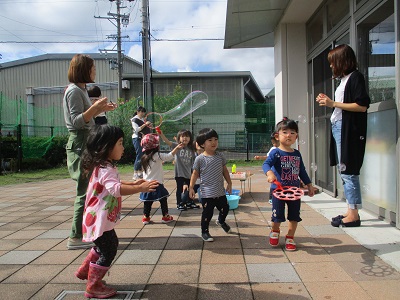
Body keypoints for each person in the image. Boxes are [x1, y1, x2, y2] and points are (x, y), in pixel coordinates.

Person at [75, 125, 159, 298]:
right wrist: (139, 188)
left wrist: (134, 183)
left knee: (103, 246)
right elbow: (115, 189)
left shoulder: (105, 165)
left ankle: (86, 271)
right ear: (106, 146)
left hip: (97, 217)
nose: (123, 147)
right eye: (120, 143)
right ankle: (93, 285)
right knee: (109, 249)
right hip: (98, 218)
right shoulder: (105, 168)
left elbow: (114, 184)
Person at [63, 54, 115, 250]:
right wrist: (95, 107)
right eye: (92, 68)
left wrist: (102, 109)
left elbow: (87, 116)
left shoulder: (82, 90)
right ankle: (75, 237)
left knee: (91, 190)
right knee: (84, 192)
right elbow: (77, 121)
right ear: (83, 69)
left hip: (86, 141)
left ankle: (87, 232)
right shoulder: (74, 91)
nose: (94, 71)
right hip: (80, 142)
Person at [316, 44, 370, 228]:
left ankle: (353, 216)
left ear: (342, 61)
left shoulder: (356, 78)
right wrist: (330, 102)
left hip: (349, 131)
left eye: (333, 62)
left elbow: (362, 106)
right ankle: (350, 211)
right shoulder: (345, 80)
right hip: (340, 128)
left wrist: (332, 103)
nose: (331, 66)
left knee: (349, 171)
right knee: (344, 170)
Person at [262, 118, 315, 251]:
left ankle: (290, 237)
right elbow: (266, 164)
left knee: (294, 216)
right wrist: (269, 173)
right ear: (277, 136)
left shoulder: (297, 154)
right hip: (278, 190)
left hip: (294, 191)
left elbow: (301, 171)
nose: (289, 135)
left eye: (292, 132)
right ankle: (275, 231)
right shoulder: (276, 152)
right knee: (277, 215)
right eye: (285, 132)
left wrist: (309, 185)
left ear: (296, 136)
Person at [189, 128, 233, 242]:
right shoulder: (200, 159)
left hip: (220, 191)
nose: (214, 142)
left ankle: (221, 221)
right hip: (206, 193)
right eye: (210, 140)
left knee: (225, 208)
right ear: (202, 144)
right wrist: (191, 187)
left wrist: (229, 183)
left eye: (216, 139)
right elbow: (194, 174)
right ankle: (205, 231)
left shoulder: (220, 156)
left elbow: (225, 171)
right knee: (207, 214)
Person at [140, 133, 184, 224]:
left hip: (147, 184)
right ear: (155, 146)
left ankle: (146, 217)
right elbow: (169, 156)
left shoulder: (144, 157)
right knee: (163, 200)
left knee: (148, 202)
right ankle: (165, 216)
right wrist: (176, 148)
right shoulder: (158, 155)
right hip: (157, 183)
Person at [158, 128, 200, 210]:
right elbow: (167, 141)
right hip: (179, 173)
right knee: (179, 189)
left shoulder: (191, 149)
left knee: (189, 187)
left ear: (190, 138)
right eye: (183, 136)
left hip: (189, 173)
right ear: (179, 138)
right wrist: (161, 134)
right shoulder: (176, 146)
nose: (185, 138)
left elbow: (193, 162)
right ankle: (179, 203)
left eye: (187, 136)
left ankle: (189, 202)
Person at [255, 132, 280, 204]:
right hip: (273, 171)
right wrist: (260, 157)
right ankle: (271, 198)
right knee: (274, 184)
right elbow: (267, 160)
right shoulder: (274, 149)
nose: (274, 145)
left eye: (275, 143)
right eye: (273, 143)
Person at [131, 106, 151, 180]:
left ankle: (139, 172)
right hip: (136, 138)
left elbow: (145, 129)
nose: (143, 113)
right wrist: (145, 125)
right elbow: (136, 130)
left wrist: (148, 126)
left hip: (142, 138)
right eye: (141, 112)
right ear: (138, 112)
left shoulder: (142, 119)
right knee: (139, 154)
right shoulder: (134, 120)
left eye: (143, 112)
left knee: (142, 154)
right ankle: (135, 172)